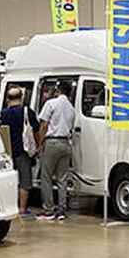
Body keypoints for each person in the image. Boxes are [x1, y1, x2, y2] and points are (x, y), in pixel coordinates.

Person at [35, 82, 76, 221]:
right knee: (62, 178)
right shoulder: (71, 108)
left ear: (58, 90)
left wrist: (40, 144)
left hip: (52, 142)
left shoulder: (51, 103)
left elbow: (44, 125)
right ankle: (62, 209)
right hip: (66, 143)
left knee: (46, 177)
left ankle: (48, 210)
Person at [0, 87, 39, 219]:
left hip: (7, 151)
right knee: (24, 180)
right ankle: (22, 209)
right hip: (24, 151)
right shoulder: (27, 112)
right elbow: (36, 130)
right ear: (21, 97)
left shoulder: (2, 114)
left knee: (8, 180)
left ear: (7, 99)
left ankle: (9, 207)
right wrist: (38, 146)